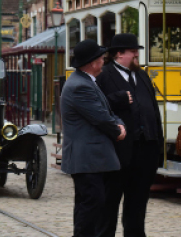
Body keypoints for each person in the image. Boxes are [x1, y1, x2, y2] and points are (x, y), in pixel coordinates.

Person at [95, 33, 163, 237]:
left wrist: (157, 146)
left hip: (145, 152)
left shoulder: (141, 75)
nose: (136, 55)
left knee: (138, 205)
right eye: (133, 52)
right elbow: (95, 108)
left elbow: (154, 111)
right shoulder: (103, 76)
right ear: (118, 54)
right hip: (117, 152)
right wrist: (116, 100)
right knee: (109, 203)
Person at [61, 39, 126, 237]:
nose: (104, 62)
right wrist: (118, 130)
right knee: (91, 206)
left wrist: (118, 122)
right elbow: (100, 117)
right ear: (93, 62)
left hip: (91, 159)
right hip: (87, 158)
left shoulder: (86, 82)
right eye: (101, 59)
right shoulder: (80, 86)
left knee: (90, 204)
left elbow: (106, 110)